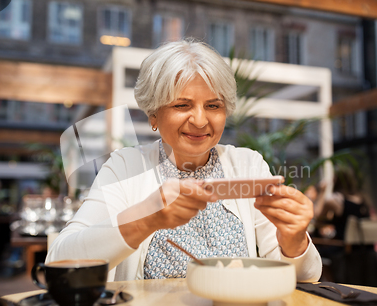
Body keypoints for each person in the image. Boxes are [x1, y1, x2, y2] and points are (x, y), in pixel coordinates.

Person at [47, 40, 322, 282]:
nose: (201, 120)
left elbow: (305, 275)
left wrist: (294, 240)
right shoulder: (126, 167)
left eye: (213, 105)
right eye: (182, 105)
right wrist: (147, 218)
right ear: (153, 115)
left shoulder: (247, 164)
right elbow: (59, 262)